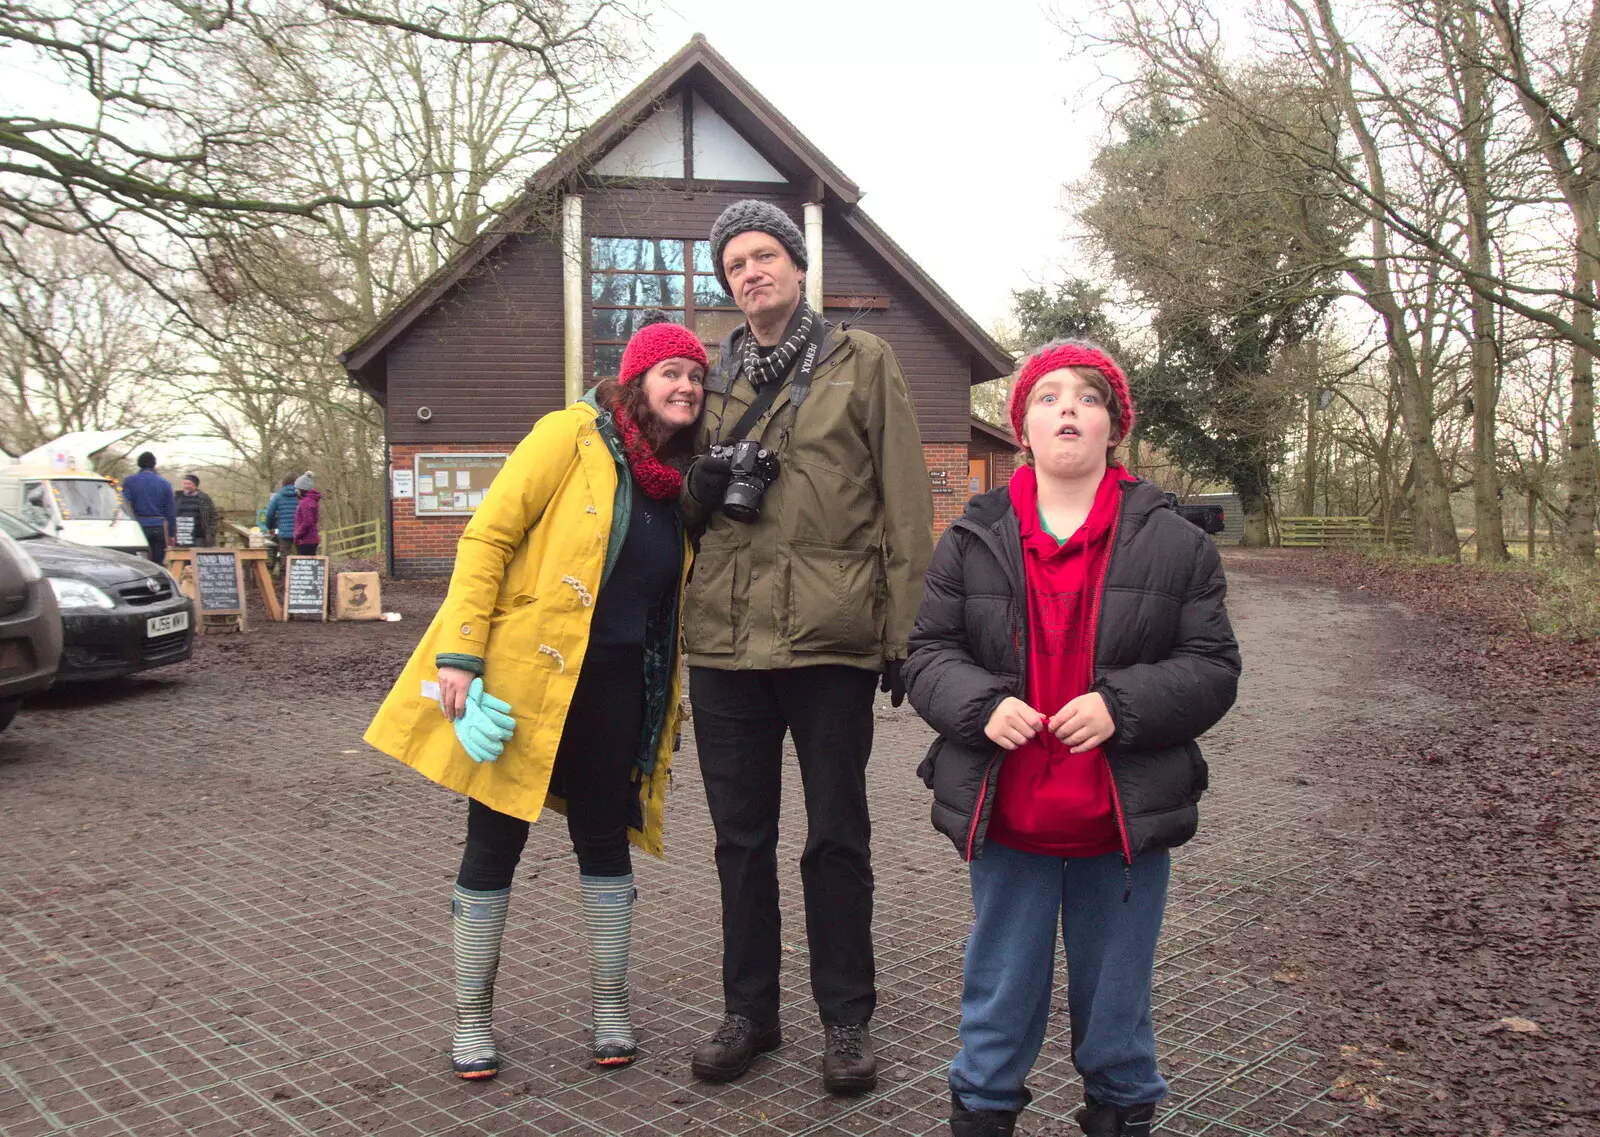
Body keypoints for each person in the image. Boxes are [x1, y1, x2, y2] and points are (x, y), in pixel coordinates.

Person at [902, 341, 1243, 1137]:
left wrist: (1122, 705)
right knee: (996, 1005)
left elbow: (1213, 666)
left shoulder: (1177, 543)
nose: (1067, 408)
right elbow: (927, 654)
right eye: (1047, 395)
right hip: (1009, 819)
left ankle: (1121, 1114)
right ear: (1020, 425)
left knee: (1118, 1017)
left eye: (1087, 397)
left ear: (1112, 426)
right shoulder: (970, 537)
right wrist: (980, 704)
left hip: (1120, 826)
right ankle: (982, 1115)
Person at [364, 316, 706, 1077]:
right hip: (527, 683)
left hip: (619, 691)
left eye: (696, 376)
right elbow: (487, 536)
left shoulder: (675, 481)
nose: (686, 386)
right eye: (671, 372)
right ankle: (470, 1019)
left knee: (603, 843)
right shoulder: (570, 434)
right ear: (638, 380)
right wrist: (459, 653)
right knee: (493, 842)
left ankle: (611, 1008)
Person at [682, 199, 933, 1094]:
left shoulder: (862, 361)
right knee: (738, 841)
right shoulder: (706, 378)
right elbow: (674, 509)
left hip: (831, 641)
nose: (751, 272)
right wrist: (697, 487)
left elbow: (905, 501)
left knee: (836, 838)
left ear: (796, 266)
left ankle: (846, 1020)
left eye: (765, 256)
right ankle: (749, 1011)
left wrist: (908, 630)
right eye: (735, 264)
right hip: (720, 641)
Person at [121, 451, 177, 564]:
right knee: (158, 561)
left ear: (139, 464)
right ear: (154, 464)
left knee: (138, 562)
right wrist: (172, 534)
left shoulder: (130, 481)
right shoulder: (164, 483)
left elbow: (124, 505)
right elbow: (170, 511)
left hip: (138, 526)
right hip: (159, 526)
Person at [262, 475, 299, 573]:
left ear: (283, 484)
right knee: (300, 557)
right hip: (300, 531)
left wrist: (270, 527)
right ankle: (300, 580)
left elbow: (269, 515)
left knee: (285, 556)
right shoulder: (302, 496)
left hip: (284, 532)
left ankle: (285, 580)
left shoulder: (278, 497)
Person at [176, 474, 220, 547]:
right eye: (184, 483)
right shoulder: (177, 498)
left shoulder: (204, 498)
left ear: (195, 486)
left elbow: (214, 516)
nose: (186, 486)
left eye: (189, 484)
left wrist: (212, 532)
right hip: (182, 537)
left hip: (199, 537)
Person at [292, 473, 321, 556]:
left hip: (305, 540)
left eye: (297, 489)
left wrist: (297, 534)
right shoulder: (310, 500)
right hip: (309, 539)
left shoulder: (306, 502)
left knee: (305, 566)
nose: (296, 491)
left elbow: (307, 522)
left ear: (302, 489)